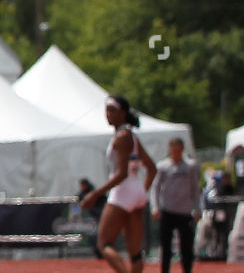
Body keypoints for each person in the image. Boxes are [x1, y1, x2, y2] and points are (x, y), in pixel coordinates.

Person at [83, 95, 158, 273]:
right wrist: (141, 192)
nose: (108, 114)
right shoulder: (132, 136)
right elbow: (152, 168)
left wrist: (95, 194)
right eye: (106, 110)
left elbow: (122, 174)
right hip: (136, 190)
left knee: (104, 243)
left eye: (112, 110)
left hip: (123, 191)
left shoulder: (122, 137)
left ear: (123, 113)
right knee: (135, 253)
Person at [151, 138, 201, 273]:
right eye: (173, 149)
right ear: (170, 149)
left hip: (185, 212)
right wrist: (155, 207)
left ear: (182, 149)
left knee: (186, 247)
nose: (176, 152)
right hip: (167, 211)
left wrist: (197, 208)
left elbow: (195, 188)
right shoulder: (163, 166)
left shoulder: (190, 166)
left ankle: (187, 269)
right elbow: (155, 187)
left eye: (178, 149)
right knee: (166, 246)